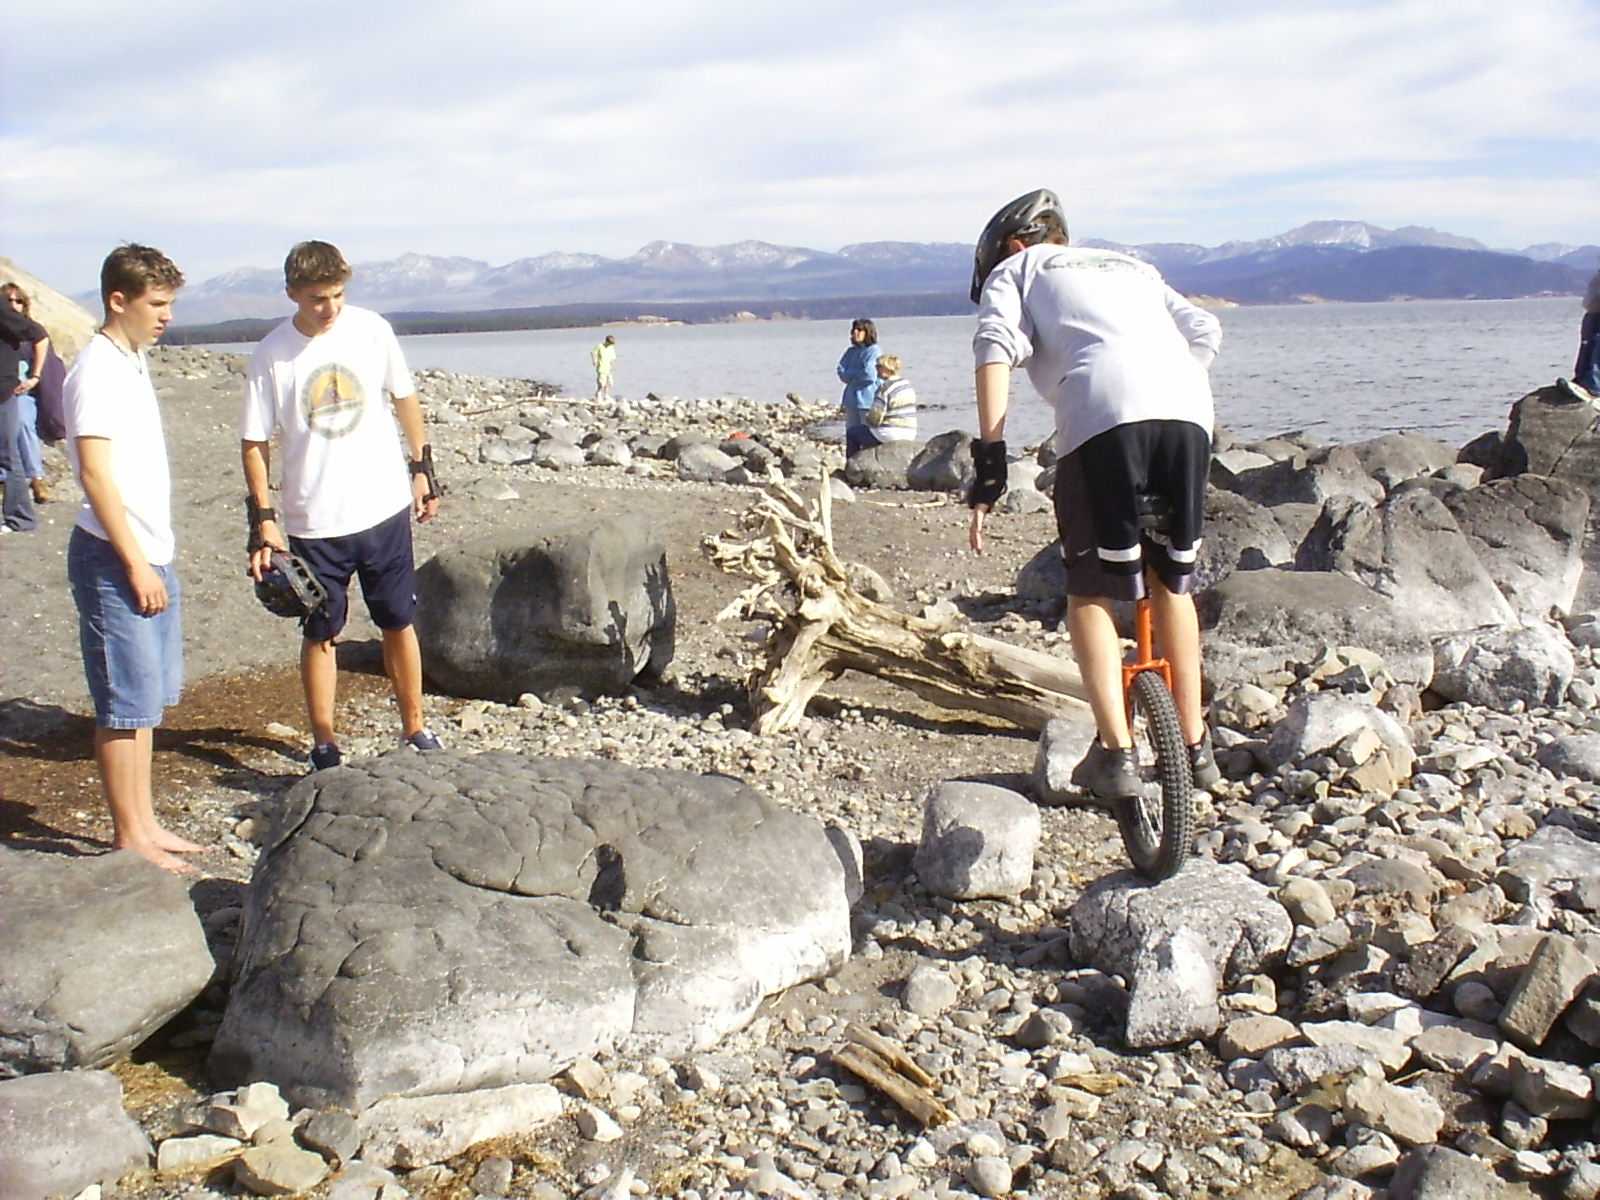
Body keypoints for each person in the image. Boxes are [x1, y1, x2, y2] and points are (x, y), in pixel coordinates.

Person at [965, 189, 1223, 800]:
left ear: (1013, 243)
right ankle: (1196, 745)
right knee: (1171, 583)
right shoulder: (1132, 266)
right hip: (1188, 411)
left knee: (1089, 590)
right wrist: (1166, 379)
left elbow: (995, 346)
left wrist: (992, 462)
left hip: (1103, 415)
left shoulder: (1018, 267)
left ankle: (1115, 752)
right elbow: (1205, 329)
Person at [241, 240, 443, 771]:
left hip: (383, 508)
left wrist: (422, 472)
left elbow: (405, 398)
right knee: (321, 630)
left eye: (336, 295)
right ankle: (325, 742)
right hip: (315, 518)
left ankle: (415, 727)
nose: (329, 307)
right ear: (292, 295)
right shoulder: (271, 354)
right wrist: (264, 520)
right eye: (316, 299)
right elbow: (254, 442)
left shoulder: (372, 330)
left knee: (398, 620)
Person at [63, 244, 202, 873]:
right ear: (119, 301)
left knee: (146, 698)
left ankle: (146, 824)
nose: (165, 316)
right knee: (123, 703)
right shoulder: (96, 368)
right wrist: (136, 563)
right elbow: (94, 474)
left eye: (170, 303)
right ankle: (128, 836)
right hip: (114, 556)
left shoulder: (132, 359)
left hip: (149, 549)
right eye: (157, 304)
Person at [0, 282, 50, 532]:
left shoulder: (4, 314)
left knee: (10, 455)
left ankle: (21, 516)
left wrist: (35, 376)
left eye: (18, 301)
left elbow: (39, 336)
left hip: (6, 391)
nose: (13, 305)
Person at [836, 318, 881, 456]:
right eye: (854, 330)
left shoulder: (873, 351)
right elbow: (841, 372)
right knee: (851, 433)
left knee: (867, 434)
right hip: (851, 400)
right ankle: (850, 463)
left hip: (867, 400)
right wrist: (856, 374)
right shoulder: (850, 352)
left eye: (859, 330)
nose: (855, 333)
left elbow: (869, 375)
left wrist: (852, 375)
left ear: (868, 332)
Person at [865, 353, 919, 445]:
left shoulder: (885, 387)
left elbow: (875, 419)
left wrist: (867, 418)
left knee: (853, 432)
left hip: (891, 433)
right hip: (910, 433)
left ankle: (854, 458)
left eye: (878, 366)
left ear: (887, 369)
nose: (876, 369)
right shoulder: (907, 385)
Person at [1574, 268, 1600, 395]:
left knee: (1596, 349)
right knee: (1586, 348)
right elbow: (1589, 302)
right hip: (1593, 316)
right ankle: (1581, 378)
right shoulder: (1597, 278)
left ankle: (1594, 386)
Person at [591, 334, 617, 401]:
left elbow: (613, 358)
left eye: (612, 343)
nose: (611, 345)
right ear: (606, 341)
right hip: (601, 368)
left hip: (608, 368)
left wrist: (613, 365)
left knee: (610, 383)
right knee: (602, 383)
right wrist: (594, 360)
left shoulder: (611, 347)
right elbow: (593, 352)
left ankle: (606, 395)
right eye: (610, 343)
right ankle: (598, 394)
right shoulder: (600, 346)